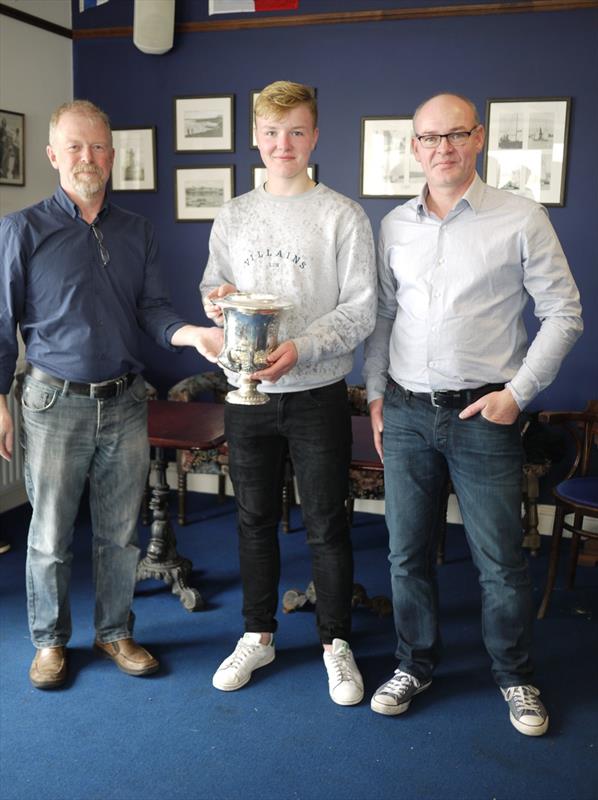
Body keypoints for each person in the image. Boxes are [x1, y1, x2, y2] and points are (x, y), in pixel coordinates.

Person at [363, 93, 583, 736]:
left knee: (500, 561)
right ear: (414, 147)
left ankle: (515, 676)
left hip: (485, 415)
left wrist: (517, 395)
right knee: (406, 555)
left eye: (455, 135)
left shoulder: (520, 217)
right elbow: (382, 315)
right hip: (403, 412)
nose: (443, 149)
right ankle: (414, 663)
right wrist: (374, 394)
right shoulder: (394, 224)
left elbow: (564, 313)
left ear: (478, 138)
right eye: (429, 138)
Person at [0, 100, 223, 690]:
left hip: (126, 402)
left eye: (97, 146)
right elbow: (1, 324)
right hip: (52, 404)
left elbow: (153, 311)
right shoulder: (21, 229)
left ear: (113, 155)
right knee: (48, 535)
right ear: (53, 155)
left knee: (119, 533)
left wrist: (193, 333)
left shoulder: (137, 231)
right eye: (74, 147)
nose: (87, 158)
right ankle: (49, 643)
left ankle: (114, 630)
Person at [201, 81, 377, 706]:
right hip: (246, 393)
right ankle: (258, 633)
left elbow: (361, 310)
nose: (284, 144)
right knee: (251, 520)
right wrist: (217, 304)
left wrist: (302, 348)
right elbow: (213, 286)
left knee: (327, 522)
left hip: (316, 393)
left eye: (297, 132)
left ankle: (336, 643)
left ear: (315, 136)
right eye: (272, 133)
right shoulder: (235, 213)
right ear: (255, 137)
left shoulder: (342, 215)